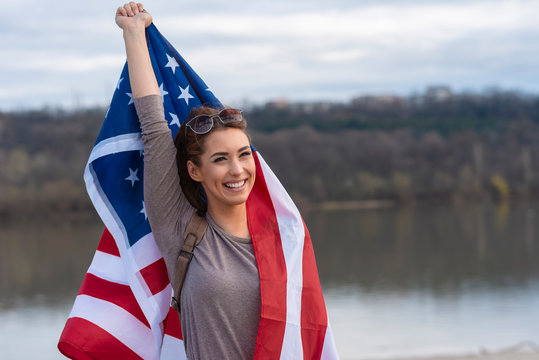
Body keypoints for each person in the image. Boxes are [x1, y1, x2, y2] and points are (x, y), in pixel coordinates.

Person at [116, 2, 260, 359]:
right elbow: (153, 129)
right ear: (195, 171)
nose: (237, 170)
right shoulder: (181, 228)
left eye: (243, 154)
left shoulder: (282, 235)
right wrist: (134, 34)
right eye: (220, 159)